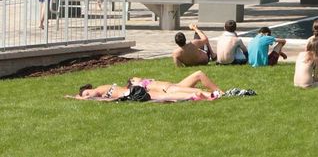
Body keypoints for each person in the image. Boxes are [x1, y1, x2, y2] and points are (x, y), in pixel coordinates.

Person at [74, 71, 222, 102]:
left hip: (171, 87)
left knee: (198, 75)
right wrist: (78, 98)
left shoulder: (103, 88)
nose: (88, 95)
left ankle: (218, 92)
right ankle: (214, 95)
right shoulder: (103, 94)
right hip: (168, 89)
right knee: (196, 89)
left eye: (86, 92)